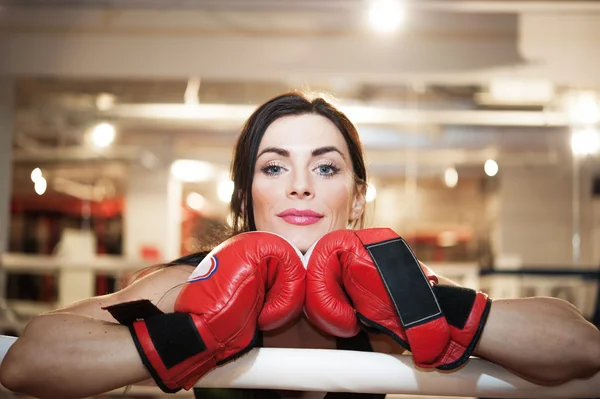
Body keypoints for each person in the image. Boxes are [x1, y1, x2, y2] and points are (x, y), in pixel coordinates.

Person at [1, 92, 599, 399]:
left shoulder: (394, 283)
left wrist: (427, 308)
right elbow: (27, 362)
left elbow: (578, 346)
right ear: (248, 194)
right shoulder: (191, 283)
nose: (300, 184)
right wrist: (194, 328)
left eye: (327, 167)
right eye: (274, 165)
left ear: (357, 198)